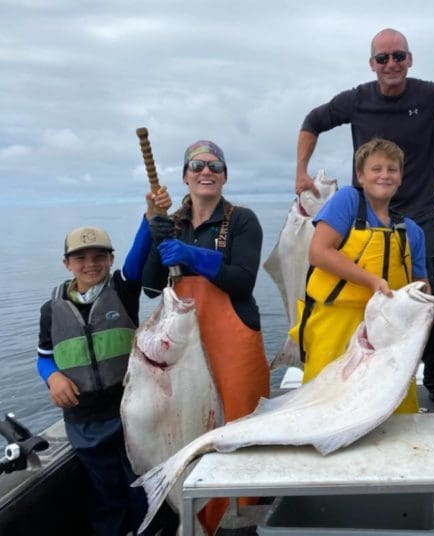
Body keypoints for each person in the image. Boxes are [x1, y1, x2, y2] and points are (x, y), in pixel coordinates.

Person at [295, 28, 434, 411]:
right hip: (362, 217)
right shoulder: (355, 100)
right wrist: (300, 169)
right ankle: (343, 365)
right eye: (382, 58)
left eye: (398, 56)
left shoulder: (430, 95)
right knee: (354, 293)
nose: (391, 64)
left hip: (417, 218)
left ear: (410, 59)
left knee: (431, 302)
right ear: (372, 64)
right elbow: (312, 121)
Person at [143, 140, 270, 535]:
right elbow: (149, 285)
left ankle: (242, 518)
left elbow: (242, 280)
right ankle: (191, 518)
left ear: (225, 176)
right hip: (182, 346)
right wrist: (153, 234)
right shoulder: (171, 221)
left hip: (234, 344)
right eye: (196, 165)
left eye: (215, 165)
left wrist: (191, 254)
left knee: (241, 428)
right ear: (185, 175)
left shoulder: (243, 220)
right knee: (187, 428)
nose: (206, 171)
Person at [35, 188, 173, 536]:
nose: (91, 264)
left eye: (99, 256)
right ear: (67, 263)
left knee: (140, 487)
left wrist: (151, 213)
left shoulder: (123, 291)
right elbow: (44, 358)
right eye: (81, 258)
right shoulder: (51, 310)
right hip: (83, 423)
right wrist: (52, 378)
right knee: (104, 494)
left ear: (111, 260)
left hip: (129, 415)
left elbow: (140, 253)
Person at [291, 138, 428, 413]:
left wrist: (425, 309)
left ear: (401, 177)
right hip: (336, 324)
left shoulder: (412, 230)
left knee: (395, 411)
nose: (385, 175)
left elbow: (421, 284)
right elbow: (318, 252)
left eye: (392, 169)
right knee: (325, 408)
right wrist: (372, 281)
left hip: (389, 333)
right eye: (376, 168)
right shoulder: (347, 201)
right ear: (360, 176)